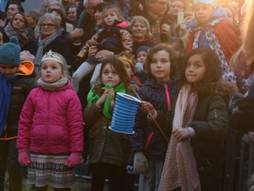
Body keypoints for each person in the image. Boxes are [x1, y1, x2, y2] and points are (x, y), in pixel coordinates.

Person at [159, 48, 236, 191]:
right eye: (188, 65)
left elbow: (219, 126)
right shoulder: (183, 93)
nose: (190, 69)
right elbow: (173, 126)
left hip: (204, 166)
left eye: (197, 65)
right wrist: (155, 115)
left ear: (209, 69)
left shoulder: (215, 96)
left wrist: (191, 129)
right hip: (181, 160)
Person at [17, 50, 84, 191]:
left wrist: (76, 152)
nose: (48, 70)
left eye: (54, 67)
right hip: (37, 151)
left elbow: (76, 126)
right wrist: (22, 149)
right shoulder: (34, 94)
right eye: (44, 67)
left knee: (61, 188)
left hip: (62, 153)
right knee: (37, 188)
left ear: (63, 72)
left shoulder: (70, 96)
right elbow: (25, 123)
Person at [132, 44, 180, 191]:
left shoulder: (181, 88)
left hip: (176, 151)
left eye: (164, 61)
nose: (159, 65)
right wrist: (138, 151)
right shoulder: (145, 90)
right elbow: (137, 124)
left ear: (172, 63)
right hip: (152, 152)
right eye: (154, 61)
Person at [84, 56, 132, 191]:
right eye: (106, 72)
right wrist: (101, 100)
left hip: (117, 149)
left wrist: (113, 104)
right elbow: (87, 118)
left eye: (114, 73)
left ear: (121, 76)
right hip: (98, 148)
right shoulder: (95, 92)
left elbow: (127, 118)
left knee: (117, 184)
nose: (110, 76)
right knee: (96, 183)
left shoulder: (127, 93)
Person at [0, 37, 35, 191]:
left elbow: (33, 107)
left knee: (14, 166)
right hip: (1, 131)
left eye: (11, 67)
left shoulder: (27, 81)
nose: (7, 71)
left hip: (17, 131)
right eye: (3, 67)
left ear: (18, 65)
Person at [72, 4, 132, 90]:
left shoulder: (123, 32)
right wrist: (80, 56)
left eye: (112, 15)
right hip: (94, 57)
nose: (108, 17)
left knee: (94, 82)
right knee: (75, 76)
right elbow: (89, 43)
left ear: (118, 17)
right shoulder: (101, 31)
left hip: (107, 61)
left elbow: (128, 50)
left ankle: (94, 101)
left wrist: (115, 56)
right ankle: (73, 97)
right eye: (106, 16)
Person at [186, 0, 240, 83]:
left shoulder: (224, 25)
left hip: (223, 73)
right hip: (201, 74)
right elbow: (190, 52)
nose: (200, 12)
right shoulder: (195, 30)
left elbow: (233, 50)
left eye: (204, 8)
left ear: (213, 9)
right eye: (197, 9)